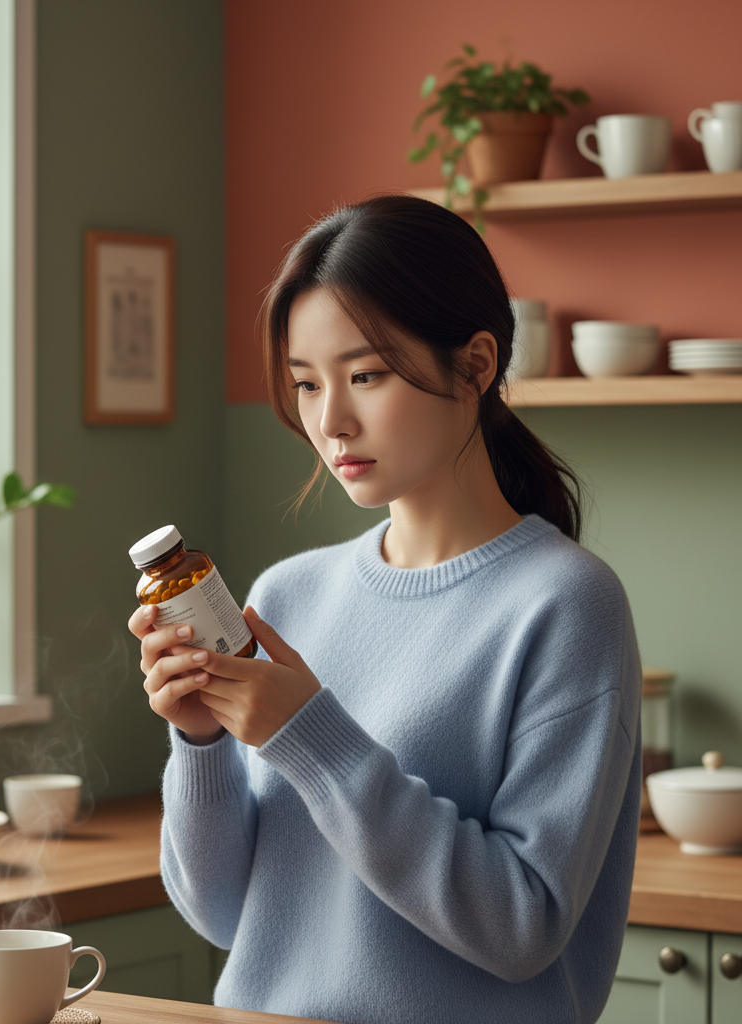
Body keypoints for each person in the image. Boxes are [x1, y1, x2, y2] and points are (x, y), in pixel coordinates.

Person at [128, 195, 641, 1024]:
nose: (330, 420)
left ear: (476, 365)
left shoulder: (566, 604)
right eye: (305, 383)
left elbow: (522, 926)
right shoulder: (284, 596)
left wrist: (310, 737)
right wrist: (201, 743)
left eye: (365, 375)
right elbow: (224, 917)